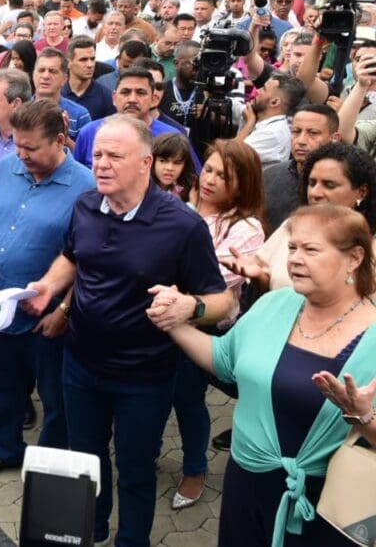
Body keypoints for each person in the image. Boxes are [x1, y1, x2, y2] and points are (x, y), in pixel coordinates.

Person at [25, 115, 231, 546]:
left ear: (145, 163)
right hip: (80, 365)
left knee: (136, 471)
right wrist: (48, 285)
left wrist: (189, 306)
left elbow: (223, 300)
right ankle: (91, 530)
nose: (100, 164)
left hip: (144, 376)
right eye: (97, 154)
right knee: (87, 458)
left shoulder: (182, 225)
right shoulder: (85, 205)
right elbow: (72, 256)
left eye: (114, 156)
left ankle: (130, 540)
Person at [150, 203, 376, 547]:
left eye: (311, 249)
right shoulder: (276, 304)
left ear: (354, 258)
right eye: (292, 248)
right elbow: (223, 359)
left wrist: (363, 416)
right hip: (246, 485)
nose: (296, 259)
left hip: (326, 506)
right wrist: (174, 322)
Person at [0, 100, 95, 478]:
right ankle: (7, 450)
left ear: (61, 141)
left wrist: (63, 311)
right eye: (17, 144)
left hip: (46, 319)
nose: (21, 154)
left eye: (31, 148)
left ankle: (47, 467)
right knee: (3, 387)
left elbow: (87, 261)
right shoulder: (7, 167)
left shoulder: (87, 188)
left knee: (55, 399)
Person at [171, 140, 266, 510]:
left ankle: (195, 468)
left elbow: (208, 280)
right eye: (208, 169)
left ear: (243, 183)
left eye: (223, 176)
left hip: (205, 326)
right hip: (162, 317)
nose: (209, 179)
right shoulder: (184, 207)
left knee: (188, 400)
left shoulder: (247, 228)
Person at [227, 142, 376, 293]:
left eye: (329, 185)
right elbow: (276, 284)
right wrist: (259, 276)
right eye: (312, 183)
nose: (315, 193)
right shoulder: (293, 225)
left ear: (361, 192)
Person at [264, 104, 340, 230]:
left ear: (334, 138)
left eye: (313, 133)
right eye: (296, 132)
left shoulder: (345, 181)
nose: (301, 140)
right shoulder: (270, 175)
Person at [151, 132, 197, 201]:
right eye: (163, 161)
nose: (169, 168)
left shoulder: (190, 191)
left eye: (177, 163)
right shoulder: (140, 187)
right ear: (152, 161)